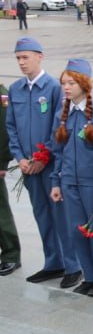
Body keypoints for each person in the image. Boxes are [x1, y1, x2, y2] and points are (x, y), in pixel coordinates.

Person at [7, 37, 78, 285]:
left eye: (25, 57)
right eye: (18, 58)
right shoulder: (15, 89)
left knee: (61, 215)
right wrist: (20, 158)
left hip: (51, 166)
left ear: (40, 56)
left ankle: (73, 266)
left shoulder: (55, 88)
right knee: (42, 215)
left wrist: (43, 156)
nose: (21, 62)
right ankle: (53, 263)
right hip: (29, 167)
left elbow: (59, 126)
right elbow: (11, 127)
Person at [49, 59, 93, 296]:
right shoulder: (62, 116)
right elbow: (57, 152)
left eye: (72, 82)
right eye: (63, 83)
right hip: (69, 182)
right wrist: (56, 182)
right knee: (77, 230)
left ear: (84, 84)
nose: (66, 88)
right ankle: (89, 276)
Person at [0, 81, 22, 276]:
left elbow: (5, 131)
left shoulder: (2, 95)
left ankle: (11, 255)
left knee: (0, 211)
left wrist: (2, 162)